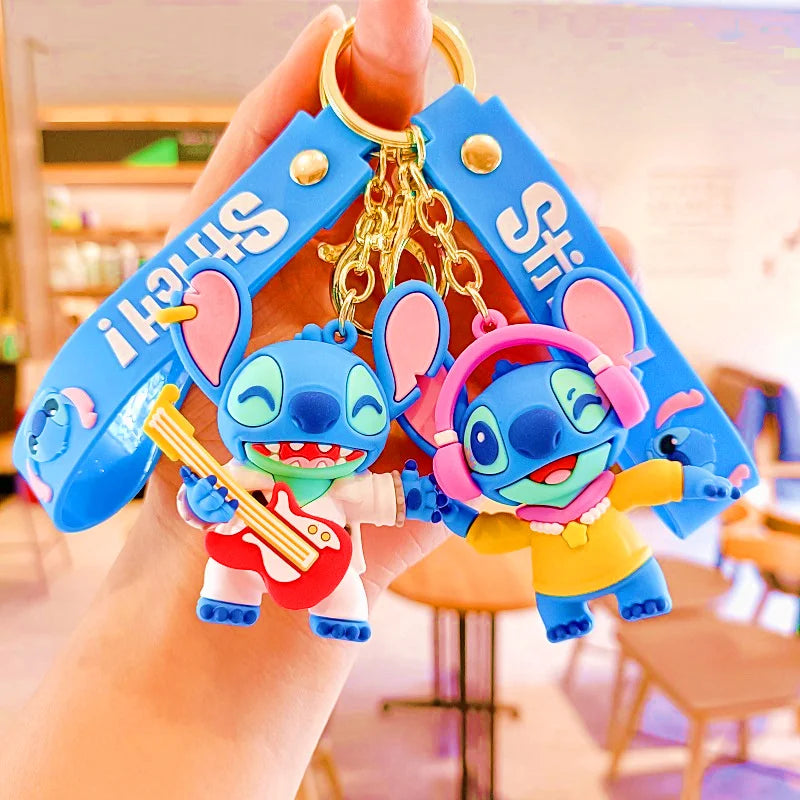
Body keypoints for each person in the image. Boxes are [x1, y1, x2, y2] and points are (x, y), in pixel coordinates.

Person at [0, 2, 637, 797]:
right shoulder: (255, 459)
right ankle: (241, 594)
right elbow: (210, 500)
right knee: (229, 568)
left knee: (332, 581)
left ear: (397, 388)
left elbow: (380, 495)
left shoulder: (352, 468)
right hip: (258, 545)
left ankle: (332, 608)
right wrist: (195, 508)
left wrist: (419, 491)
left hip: (332, 546)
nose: (306, 430)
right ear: (220, 367)